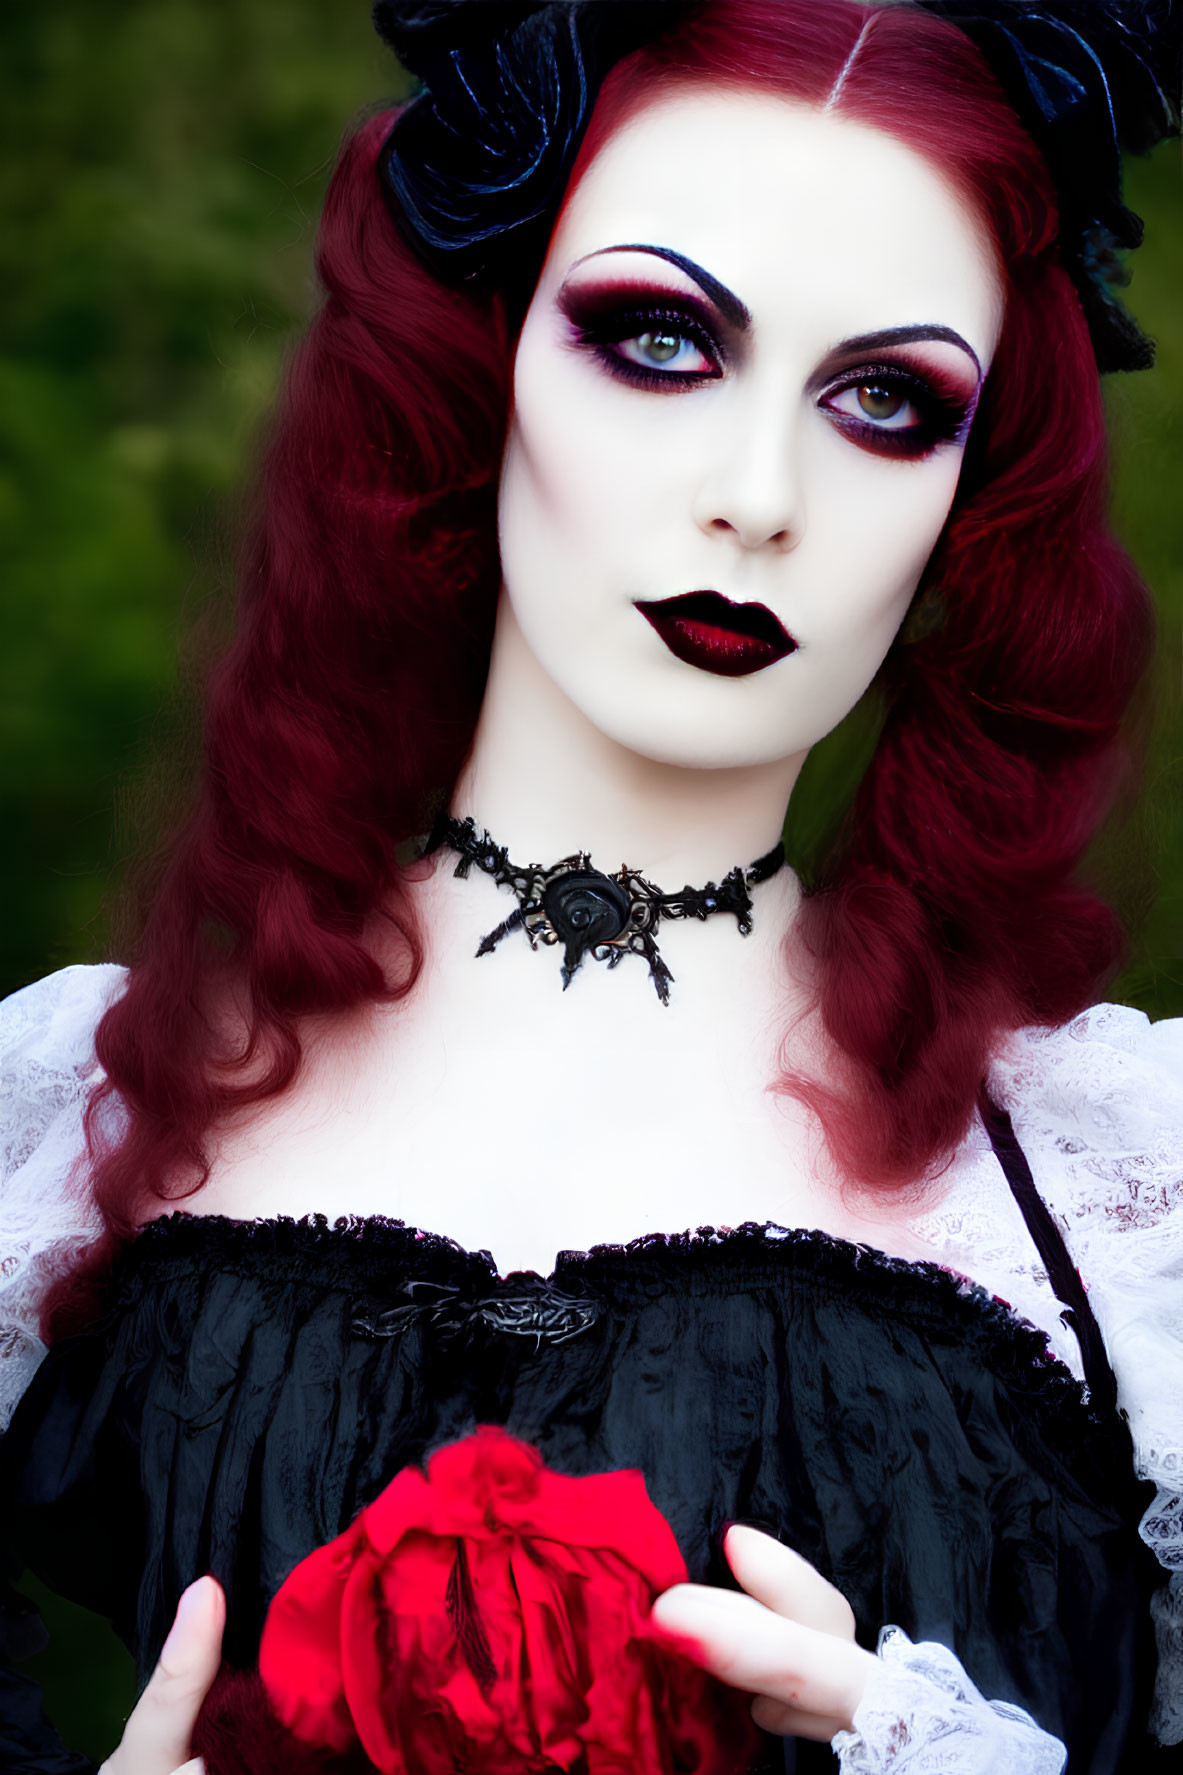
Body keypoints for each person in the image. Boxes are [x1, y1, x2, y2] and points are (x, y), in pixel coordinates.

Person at [1, 1, 1180, 1770]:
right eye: (657, 338)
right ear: (483, 358)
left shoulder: (1120, 1197)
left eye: (886, 400)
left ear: (973, 497)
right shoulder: (75, 1113)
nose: (757, 495)